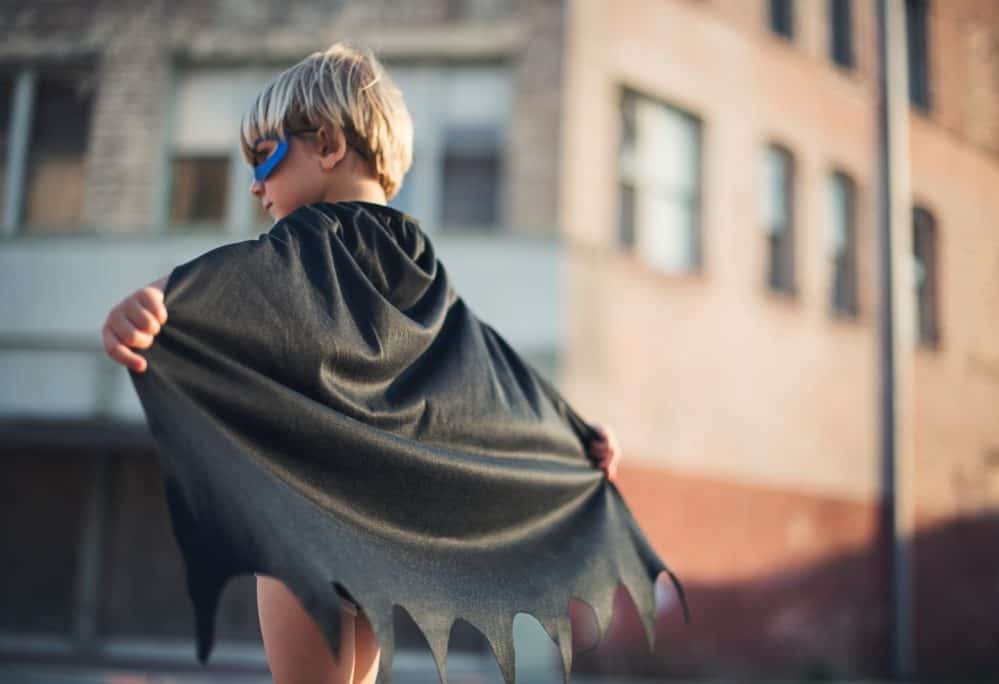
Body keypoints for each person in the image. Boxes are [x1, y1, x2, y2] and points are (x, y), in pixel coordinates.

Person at [101, 42, 624, 684]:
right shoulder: (414, 252)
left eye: (264, 156)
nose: (255, 183)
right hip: (375, 533)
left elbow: (234, 274)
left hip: (306, 521)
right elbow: (479, 362)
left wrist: (159, 297)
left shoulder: (307, 237)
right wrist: (570, 431)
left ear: (326, 144)